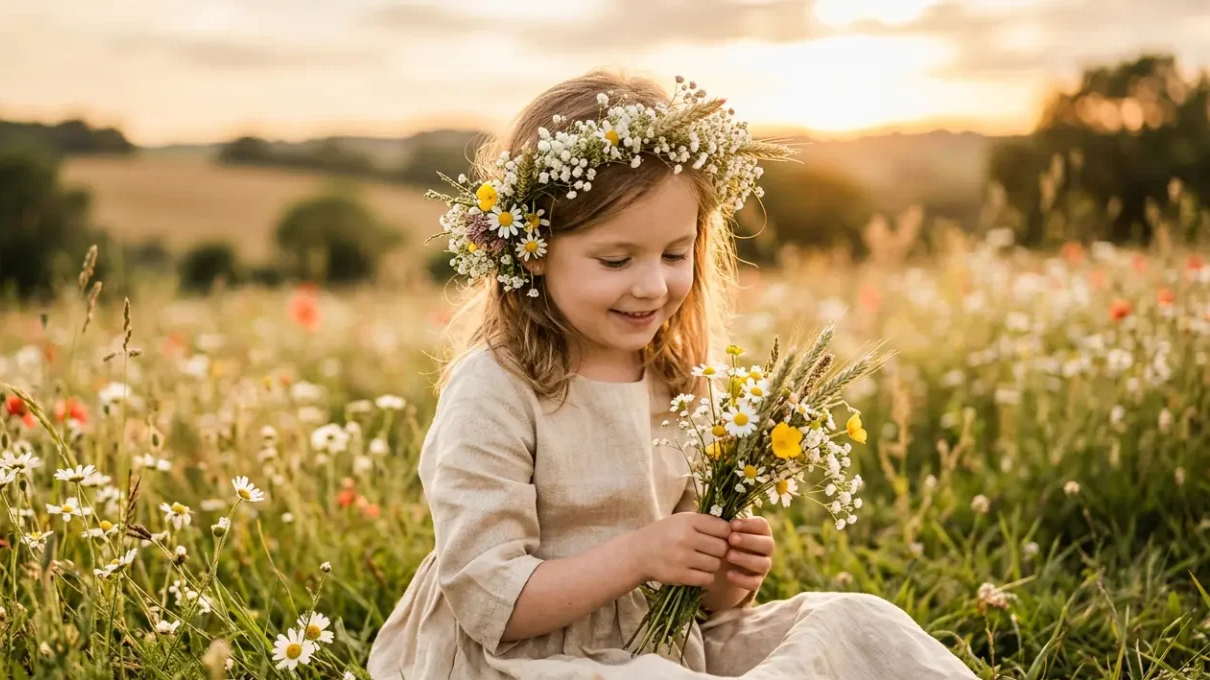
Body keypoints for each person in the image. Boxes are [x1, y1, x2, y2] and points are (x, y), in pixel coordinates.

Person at [367, 69, 977, 679]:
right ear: (533, 250)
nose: (652, 286)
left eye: (675, 254)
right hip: (520, 656)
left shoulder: (680, 376)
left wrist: (726, 575)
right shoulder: (496, 389)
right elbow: (488, 602)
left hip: (658, 644)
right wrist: (639, 555)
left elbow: (701, 603)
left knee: (854, 622)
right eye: (616, 259)